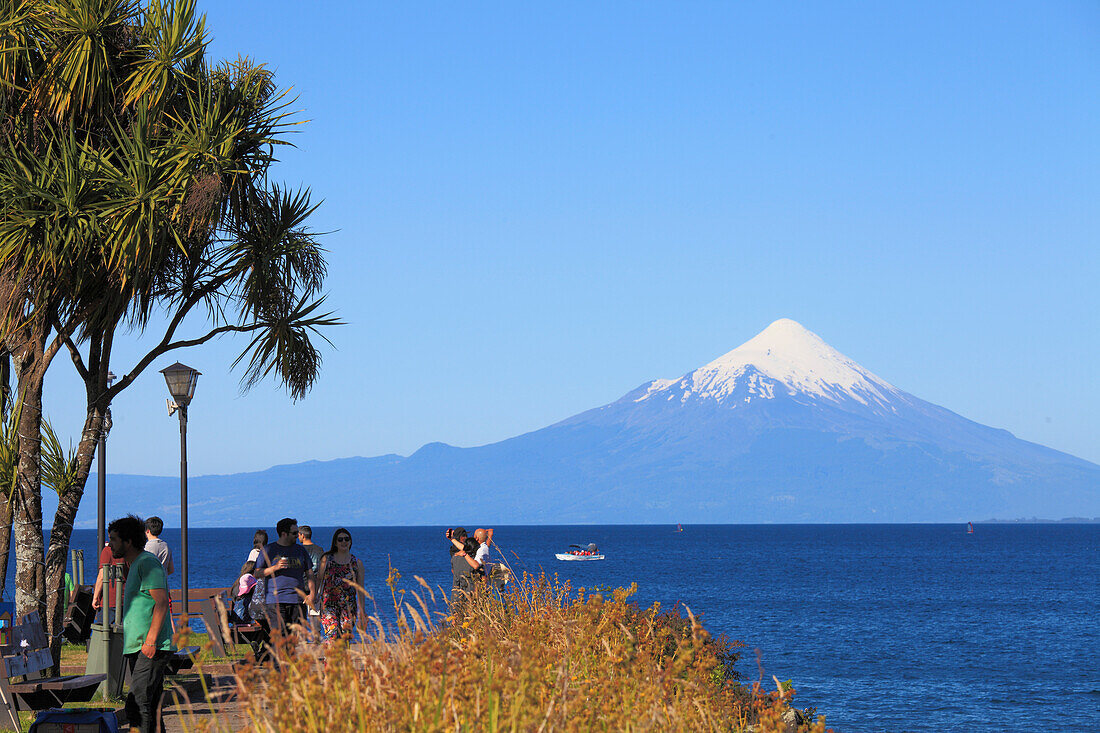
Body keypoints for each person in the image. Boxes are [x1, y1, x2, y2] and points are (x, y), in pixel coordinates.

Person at [108, 514, 173, 733]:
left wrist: (150, 642)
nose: (110, 545)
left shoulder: (147, 563)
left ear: (128, 542)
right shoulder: (135, 565)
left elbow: (162, 603)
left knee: (137, 705)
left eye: (114, 539)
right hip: (138, 646)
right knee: (150, 707)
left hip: (150, 647)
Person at [252, 518, 316, 660]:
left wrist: (311, 594)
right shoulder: (268, 550)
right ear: (284, 533)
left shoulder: (300, 550)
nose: (297, 535)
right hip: (275, 600)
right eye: (294, 533)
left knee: (293, 638)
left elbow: (310, 573)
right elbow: (257, 573)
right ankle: (278, 669)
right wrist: (275, 567)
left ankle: (290, 669)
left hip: (297, 600)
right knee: (279, 636)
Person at [315, 528, 364, 640]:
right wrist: (314, 596)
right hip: (328, 605)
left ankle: (343, 658)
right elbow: (319, 579)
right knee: (331, 635)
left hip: (348, 607)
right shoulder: (327, 559)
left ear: (350, 542)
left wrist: (362, 610)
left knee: (345, 638)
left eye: (346, 539)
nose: (344, 542)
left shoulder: (357, 563)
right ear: (335, 543)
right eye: (340, 539)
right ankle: (331, 658)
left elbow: (360, 588)